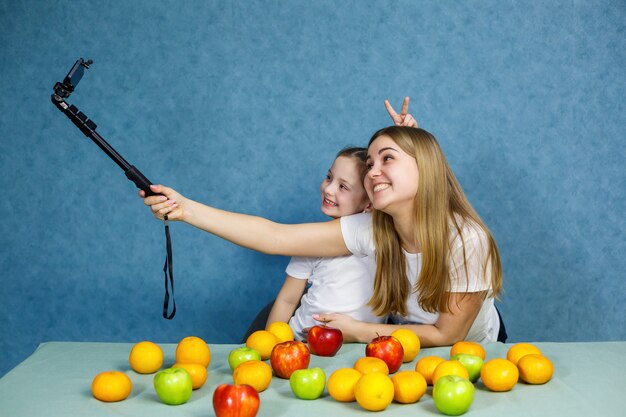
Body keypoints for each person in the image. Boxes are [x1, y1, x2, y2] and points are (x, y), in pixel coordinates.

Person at [141, 102, 504, 347]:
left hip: (470, 350)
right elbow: (274, 236)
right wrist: (185, 209)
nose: (373, 172)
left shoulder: (467, 239)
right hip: (403, 343)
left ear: (425, 169)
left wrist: (358, 331)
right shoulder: (375, 229)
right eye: (371, 164)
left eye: (387, 159)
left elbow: (446, 335)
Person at [265, 146, 381, 341]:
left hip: (360, 344)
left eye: (343, 186)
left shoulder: (380, 237)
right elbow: (287, 299)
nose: (328, 189)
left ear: (369, 204)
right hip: (302, 340)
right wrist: (270, 344)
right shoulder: (312, 241)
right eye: (329, 177)